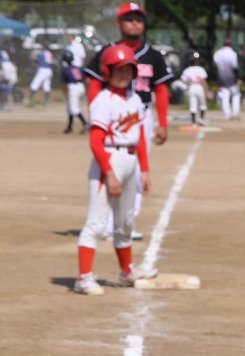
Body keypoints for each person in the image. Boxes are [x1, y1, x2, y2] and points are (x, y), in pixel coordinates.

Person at [86, 2, 174, 242]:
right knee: (111, 166)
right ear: (119, 23)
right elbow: (94, 84)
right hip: (113, 117)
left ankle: (126, 221)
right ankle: (106, 222)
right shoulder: (107, 52)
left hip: (141, 114)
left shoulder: (153, 55)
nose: (135, 23)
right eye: (129, 19)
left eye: (139, 19)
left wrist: (163, 123)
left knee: (137, 171)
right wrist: (95, 115)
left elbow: (161, 90)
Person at [74, 45, 155, 295]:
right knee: (97, 223)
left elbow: (140, 138)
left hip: (130, 160)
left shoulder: (134, 99)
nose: (124, 75)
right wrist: (109, 174)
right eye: (119, 70)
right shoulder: (103, 101)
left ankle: (126, 272)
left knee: (126, 222)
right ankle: (84, 278)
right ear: (107, 71)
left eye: (128, 70)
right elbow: (95, 141)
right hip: (109, 160)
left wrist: (144, 170)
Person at [213, 38, 241, 120]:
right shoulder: (233, 54)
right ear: (231, 45)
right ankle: (235, 113)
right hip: (232, 78)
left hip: (221, 78)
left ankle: (227, 114)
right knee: (236, 95)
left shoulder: (218, 53)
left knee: (225, 96)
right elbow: (235, 67)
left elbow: (215, 67)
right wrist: (237, 78)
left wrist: (217, 79)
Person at [61, 52, 88, 133]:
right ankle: (69, 128)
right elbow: (85, 78)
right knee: (70, 108)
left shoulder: (65, 70)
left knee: (74, 109)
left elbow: (64, 84)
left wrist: (65, 94)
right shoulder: (78, 68)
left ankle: (85, 124)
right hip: (81, 87)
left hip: (73, 88)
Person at [179, 52, 209, 125]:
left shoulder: (187, 70)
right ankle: (201, 119)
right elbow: (204, 81)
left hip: (192, 87)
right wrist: (206, 92)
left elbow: (182, 80)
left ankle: (193, 122)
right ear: (197, 61)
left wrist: (188, 82)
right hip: (199, 87)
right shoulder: (200, 69)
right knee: (202, 104)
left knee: (193, 105)